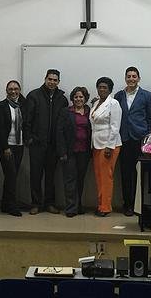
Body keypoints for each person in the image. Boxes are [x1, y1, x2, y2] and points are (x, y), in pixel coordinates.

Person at [24, 69, 68, 215]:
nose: (52, 82)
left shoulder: (62, 99)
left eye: (55, 80)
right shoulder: (34, 95)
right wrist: (29, 138)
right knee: (35, 175)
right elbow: (27, 120)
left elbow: (64, 123)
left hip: (53, 145)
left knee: (51, 176)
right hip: (37, 144)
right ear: (45, 79)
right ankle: (36, 203)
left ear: (58, 82)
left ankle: (49, 203)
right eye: (50, 79)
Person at [114, 66, 151, 217]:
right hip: (123, 138)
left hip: (140, 139)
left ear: (138, 78)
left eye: (134, 76)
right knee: (125, 173)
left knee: (140, 173)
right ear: (125, 78)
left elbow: (149, 118)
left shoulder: (147, 96)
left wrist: (148, 139)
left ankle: (140, 205)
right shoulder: (119, 96)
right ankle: (127, 205)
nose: (131, 79)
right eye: (129, 76)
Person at [56, 86, 91, 217]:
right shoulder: (66, 112)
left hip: (85, 152)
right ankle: (71, 208)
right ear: (72, 98)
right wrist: (62, 152)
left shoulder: (89, 111)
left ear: (85, 98)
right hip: (69, 152)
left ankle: (78, 205)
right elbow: (59, 132)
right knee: (70, 180)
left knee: (80, 180)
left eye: (81, 97)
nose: (78, 99)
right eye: (76, 97)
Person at [90, 77, 122, 217]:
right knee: (99, 176)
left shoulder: (114, 103)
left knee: (106, 177)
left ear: (110, 89)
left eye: (105, 87)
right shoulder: (96, 102)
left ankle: (105, 207)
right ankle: (100, 204)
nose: (102, 89)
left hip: (109, 145)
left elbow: (115, 127)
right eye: (100, 87)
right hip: (96, 144)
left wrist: (109, 147)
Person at [0, 80, 26, 217]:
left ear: (19, 90)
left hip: (19, 145)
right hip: (6, 146)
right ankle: (12, 206)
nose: (13, 91)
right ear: (6, 91)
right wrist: (5, 147)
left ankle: (5, 204)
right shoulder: (1, 106)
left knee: (11, 176)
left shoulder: (23, 105)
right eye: (10, 89)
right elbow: (0, 129)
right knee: (11, 175)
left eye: (16, 89)